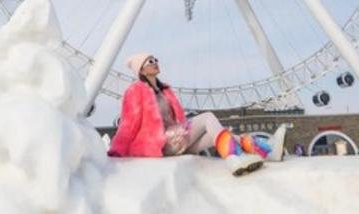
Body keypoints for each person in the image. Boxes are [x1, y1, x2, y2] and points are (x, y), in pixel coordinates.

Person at [107, 52, 286, 176]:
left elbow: (178, 121)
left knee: (221, 134)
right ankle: (233, 157)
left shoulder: (165, 91)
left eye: (155, 59)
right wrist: (116, 150)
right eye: (149, 61)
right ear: (141, 70)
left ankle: (268, 151)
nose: (155, 62)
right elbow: (128, 125)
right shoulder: (135, 90)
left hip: (176, 138)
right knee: (208, 117)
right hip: (161, 142)